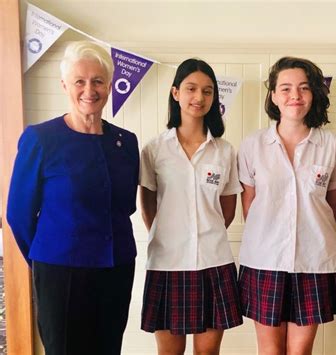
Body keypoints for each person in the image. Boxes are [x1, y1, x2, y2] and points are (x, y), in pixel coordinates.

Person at [7, 41, 139, 355]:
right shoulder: (41, 138)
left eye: (97, 81)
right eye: (79, 81)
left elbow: (126, 206)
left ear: (109, 86)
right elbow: (18, 215)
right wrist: (45, 260)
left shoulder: (126, 142)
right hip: (60, 271)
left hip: (116, 267)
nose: (88, 90)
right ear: (65, 85)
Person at [237, 57, 336, 354]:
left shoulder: (333, 146)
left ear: (314, 94)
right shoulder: (252, 146)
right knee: (270, 350)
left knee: (300, 351)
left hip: (313, 262)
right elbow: (249, 206)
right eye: (285, 88)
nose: (295, 96)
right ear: (273, 95)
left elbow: (334, 207)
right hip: (264, 260)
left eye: (303, 88)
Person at [139, 58, 243, 354]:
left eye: (208, 91)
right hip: (166, 264)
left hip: (214, 262)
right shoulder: (155, 149)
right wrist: (171, 234)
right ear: (175, 93)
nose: (199, 98)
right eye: (191, 89)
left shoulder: (224, 151)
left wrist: (203, 232)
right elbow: (148, 204)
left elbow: (227, 209)